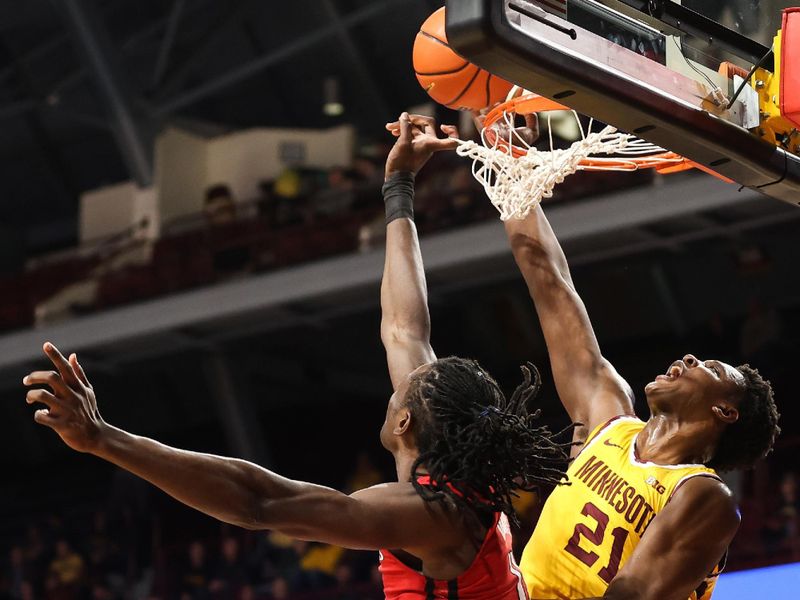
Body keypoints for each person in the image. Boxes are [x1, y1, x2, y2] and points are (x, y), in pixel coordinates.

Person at [24, 112, 569, 600]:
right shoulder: (453, 479)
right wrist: (397, 189)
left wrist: (104, 439)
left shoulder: (435, 516)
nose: (400, 378)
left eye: (405, 387)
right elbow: (404, 328)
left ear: (405, 420)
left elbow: (257, 503)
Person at [501, 175, 781, 598]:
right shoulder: (607, 419)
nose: (688, 359)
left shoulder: (703, 494)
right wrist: (512, 168)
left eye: (710, 368)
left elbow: (632, 594)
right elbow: (551, 285)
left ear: (724, 411)